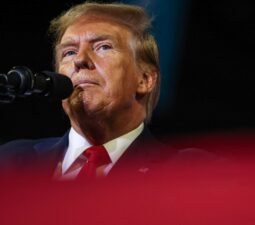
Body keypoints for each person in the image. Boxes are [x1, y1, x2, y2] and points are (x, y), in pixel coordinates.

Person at [0, 1, 217, 180]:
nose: (80, 60)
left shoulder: (190, 172)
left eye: (103, 47)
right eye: (68, 52)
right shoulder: (11, 162)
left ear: (144, 79)